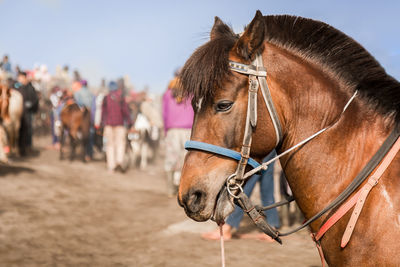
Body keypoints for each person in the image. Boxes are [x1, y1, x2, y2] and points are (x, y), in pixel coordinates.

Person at [202, 151, 280, 241]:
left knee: (246, 184)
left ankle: (228, 227)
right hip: (271, 145)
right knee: (266, 185)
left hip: (260, 144)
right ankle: (272, 228)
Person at [162, 70, 194, 196]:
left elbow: (164, 114)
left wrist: (165, 131)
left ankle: (170, 189)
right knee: (186, 160)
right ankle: (183, 190)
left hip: (173, 130)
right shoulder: (191, 93)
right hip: (188, 130)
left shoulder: (168, 94)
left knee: (171, 159)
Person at [101, 81, 132, 173]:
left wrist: (102, 124)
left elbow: (103, 113)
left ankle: (111, 166)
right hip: (120, 125)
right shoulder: (121, 98)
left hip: (108, 125)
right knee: (120, 144)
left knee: (109, 145)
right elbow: (125, 111)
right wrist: (130, 122)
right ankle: (119, 162)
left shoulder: (106, 98)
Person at [16, 71, 39, 156]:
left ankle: (27, 147)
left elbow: (35, 99)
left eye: (21, 77)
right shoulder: (16, 87)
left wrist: (30, 105)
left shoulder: (30, 88)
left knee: (28, 129)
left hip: (27, 112)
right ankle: (18, 147)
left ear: (25, 77)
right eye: (19, 77)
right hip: (17, 112)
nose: (19, 79)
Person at [74, 80, 95, 160]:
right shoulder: (91, 93)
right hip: (90, 114)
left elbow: (77, 101)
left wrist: (81, 106)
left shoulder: (78, 92)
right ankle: (89, 153)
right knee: (90, 133)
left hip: (81, 113)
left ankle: (80, 151)